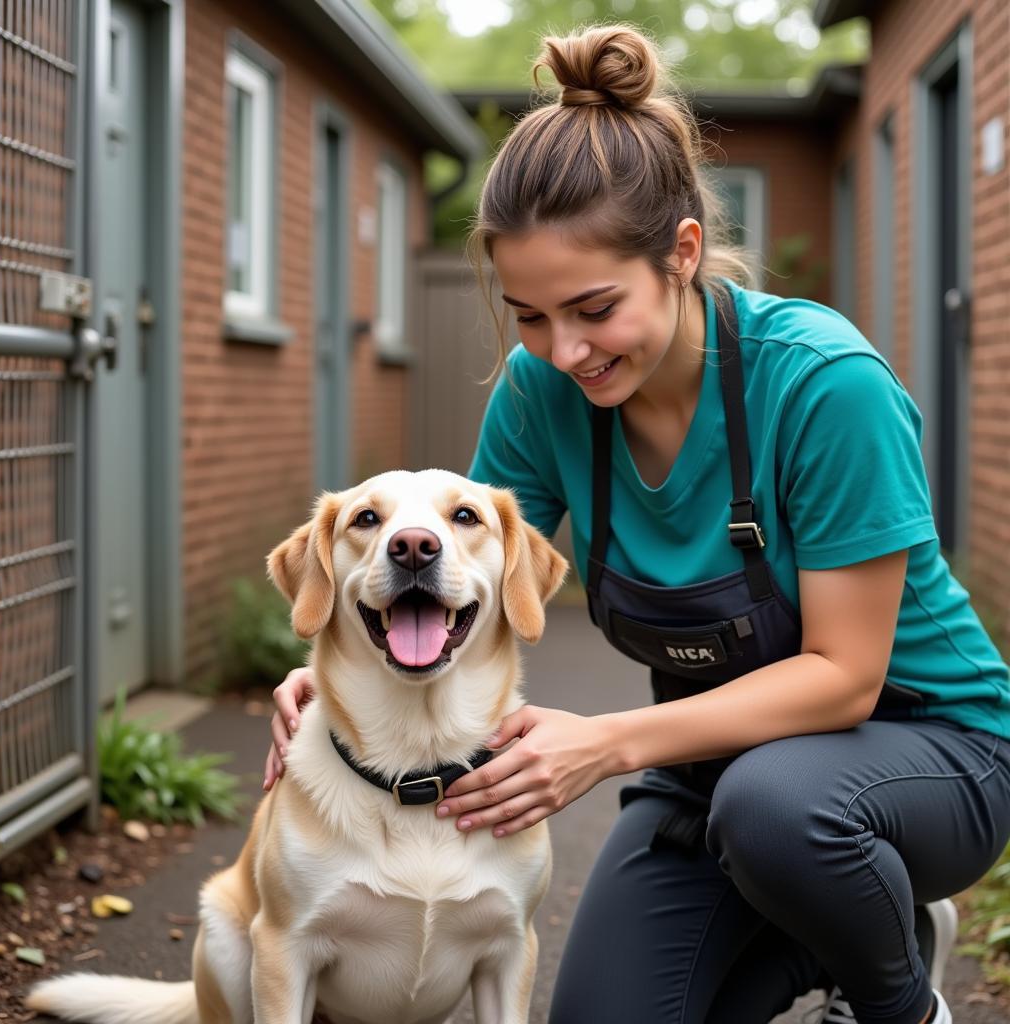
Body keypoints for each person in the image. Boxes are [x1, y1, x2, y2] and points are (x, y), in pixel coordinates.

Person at [262, 24, 1010, 1024]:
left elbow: (846, 675)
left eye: (592, 307)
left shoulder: (825, 387)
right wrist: (342, 663)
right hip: (710, 768)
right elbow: (465, 581)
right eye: (528, 314)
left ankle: (896, 996)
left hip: (926, 750)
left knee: (782, 810)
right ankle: (861, 923)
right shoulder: (540, 390)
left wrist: (609, 743)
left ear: (682, 253)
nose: (562, 348)